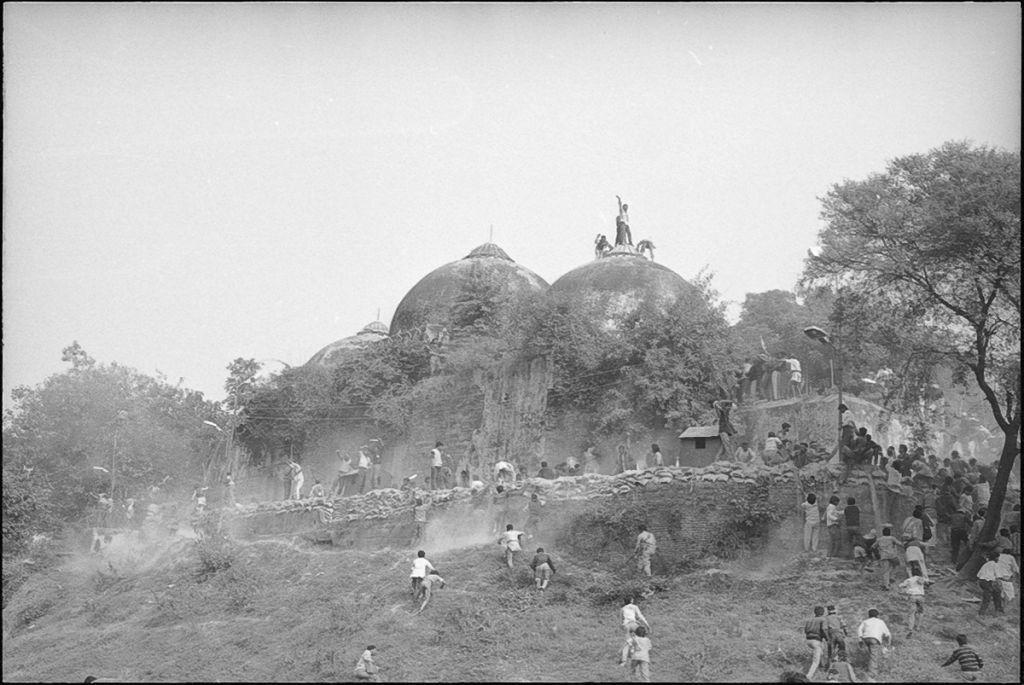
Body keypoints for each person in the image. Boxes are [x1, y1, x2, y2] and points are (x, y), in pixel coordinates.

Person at [856, 608, 891, 681]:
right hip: (874, 639)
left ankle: (871, 669)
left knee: (871, 654)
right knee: (874, 656)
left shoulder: (865, 621)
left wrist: (860, 640)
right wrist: (888, 643)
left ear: (869, 615)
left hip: (866, 639)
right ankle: (872, 674)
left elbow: (859, 629)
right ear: (877, 615)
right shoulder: (880, 622)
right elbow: (887, 633)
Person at [619, 596, 650, 666]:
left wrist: (623, 627)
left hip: (626, 625)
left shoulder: (622, 609)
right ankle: (640, 656)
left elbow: (620, 621)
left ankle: (623, 661)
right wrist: (647, 626)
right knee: (639, 639)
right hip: (634, 624)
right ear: (631, 601)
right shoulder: (634, 607)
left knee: (627, 642)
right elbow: (641, 616)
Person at [976, 550, 1005, 615]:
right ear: (995, 558)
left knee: (997, 592)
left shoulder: (985, 564)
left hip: (982, 581)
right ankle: (982, 613)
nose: (998, 559)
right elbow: (998, 576)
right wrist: (1005, 579)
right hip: (987, 582)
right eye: (998, 558)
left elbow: (978, 575)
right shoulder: (995, 565)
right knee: (987, 597)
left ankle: (998, 609)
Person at [803, 605, 827, 680]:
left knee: (821, 654)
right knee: (815, 661)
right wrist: (827, 638)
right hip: (816, 641)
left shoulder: (809, 620)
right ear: (823, 612)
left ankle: (823, 669)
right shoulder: (822, 619)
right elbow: (823, 629)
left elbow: (805, 630)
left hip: (808, 641)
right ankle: (809, 676)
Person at [823, 605, 848, 672]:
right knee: (842, 651)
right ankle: (843, 666)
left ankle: (829, 668)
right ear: (834, 610)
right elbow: (844, 625)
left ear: (828, 610)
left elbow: (824, 629)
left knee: (831, 652)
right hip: (839, 634)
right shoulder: (839, 617)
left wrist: (827, 637)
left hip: (831, 634)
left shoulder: (826, 618)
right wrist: (845, 633)